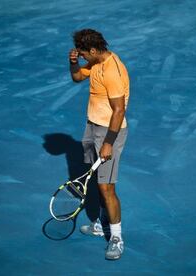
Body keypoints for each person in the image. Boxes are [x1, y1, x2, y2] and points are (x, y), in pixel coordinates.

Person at [68, 29, 129, 260]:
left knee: (107, 188)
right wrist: (73, 63)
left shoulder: (112, 70)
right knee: (97, 181)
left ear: (93, 50)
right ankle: (102, 223)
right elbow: (76, 77)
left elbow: (119, 110)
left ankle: (116, 237)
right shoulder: (95, 63)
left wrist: (108, 143)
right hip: (92, 126)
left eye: (83, 53)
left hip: (109, 133)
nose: (82, 56)